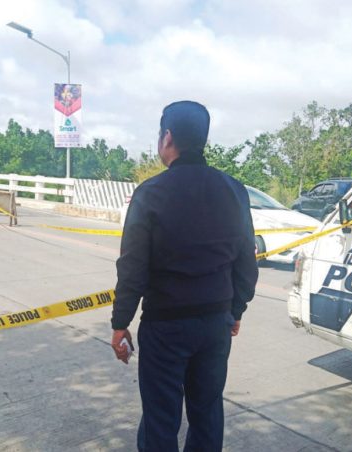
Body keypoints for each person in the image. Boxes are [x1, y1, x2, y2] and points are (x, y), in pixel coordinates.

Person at [110, 101, 258, 451]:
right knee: (207, 414)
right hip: (215, 325)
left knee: (161, 419)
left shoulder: (151, 193)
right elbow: (245, 262)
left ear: (167, 137)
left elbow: (132, 266)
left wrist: (120, 322)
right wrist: (235, 310)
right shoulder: (234, 190)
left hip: (166, 327)